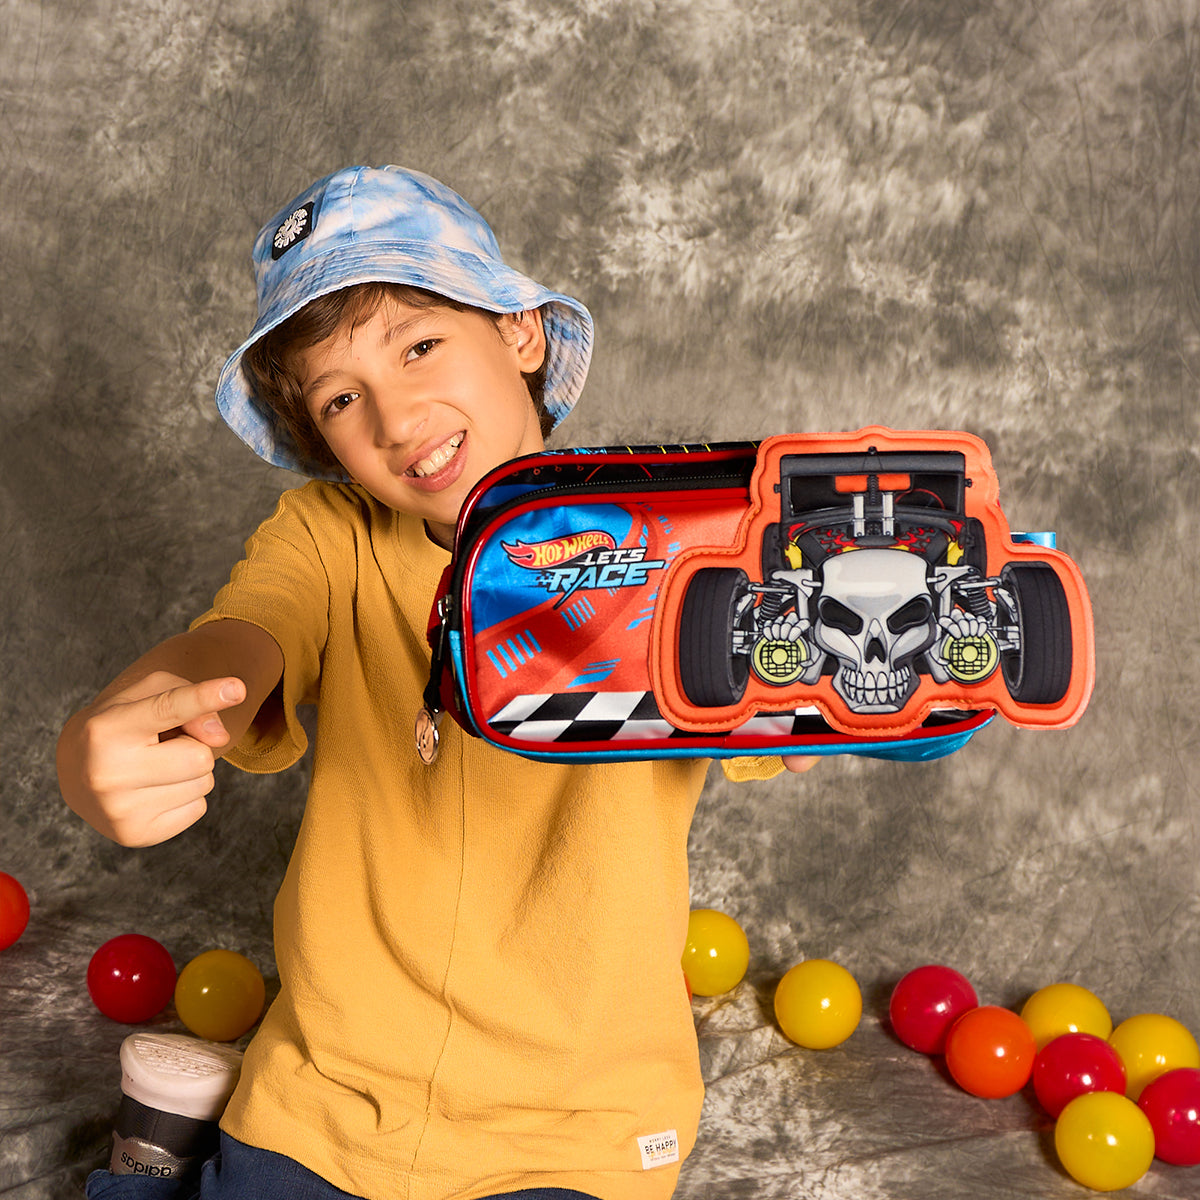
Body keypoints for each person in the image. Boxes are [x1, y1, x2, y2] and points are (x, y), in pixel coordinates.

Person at [57, 164, 812, 1200]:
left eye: (419, 347)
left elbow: (799, 689)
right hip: (329, 1099)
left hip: (577, 1125)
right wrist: (118, 728)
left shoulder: (679, 540)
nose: (398, 416)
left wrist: (816, 667)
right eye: (341, 397)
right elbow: (235, 644)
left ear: (520, 333)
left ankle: (160, 1150)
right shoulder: (327, 537)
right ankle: (153, 1158)